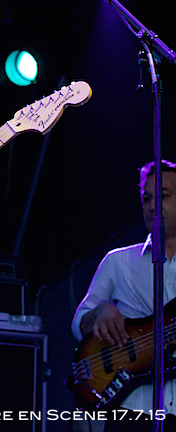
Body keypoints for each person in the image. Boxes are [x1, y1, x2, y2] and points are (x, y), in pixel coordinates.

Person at [72, 160, 176, 431]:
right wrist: (99, 312)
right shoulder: (117, 261)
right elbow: (79, 322)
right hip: (131, 410)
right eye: (147, 199)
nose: (152, 207)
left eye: (163, 197)